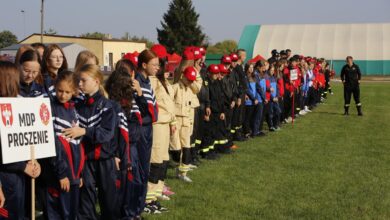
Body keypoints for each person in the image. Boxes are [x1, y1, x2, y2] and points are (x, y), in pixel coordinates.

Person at [75, 64, 119, 219]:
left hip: (105, 161)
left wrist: (84, 131)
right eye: (78, 80)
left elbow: (106, 134)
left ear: (96, 81)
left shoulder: (108, 106)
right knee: (86, 202)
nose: (79, 84)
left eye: (83, 80)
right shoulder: (78, 105)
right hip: (85, 160)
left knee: (109, 202)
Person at [0, 61, 42, 220]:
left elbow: (27, 137)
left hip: (20, 176)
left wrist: (34, 161)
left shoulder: (19, 104)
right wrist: (22, 166)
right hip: (6, 176)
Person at [44, 70, 85, 220]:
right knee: (58, 213)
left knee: (72, 212)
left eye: (67, 92)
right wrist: (61, 174)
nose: (63, 95)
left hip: (73, 174)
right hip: (59, 174)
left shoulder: (73, 109)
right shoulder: (51, 108)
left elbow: (77, 144)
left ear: (74, 91)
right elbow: (53, 144)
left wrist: (78, 173)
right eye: (60, 90)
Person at [134, 49, 159, 216]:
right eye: (154, 64)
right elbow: (142, 110)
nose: (158, 67)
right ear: (144, 65)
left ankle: (141, 203)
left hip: (148, 128)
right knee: (140, 170)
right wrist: (141, 94)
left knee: (145, 168)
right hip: (141, 129)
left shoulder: (146, 81)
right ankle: (137, 205)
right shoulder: (137, 82)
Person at [170, 66, 197, 183]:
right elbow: (169, 105)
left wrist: (191, 122)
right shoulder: (175, 87)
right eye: (189, 79)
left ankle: (183, 173)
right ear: (183, 76)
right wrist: (172, 121)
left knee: (187, 148)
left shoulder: (191, 90)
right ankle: (177, 166)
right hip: (176, 121)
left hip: (186, 121)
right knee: (176, 148)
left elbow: (191, 108)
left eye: (192, 80)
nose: (190, 82)